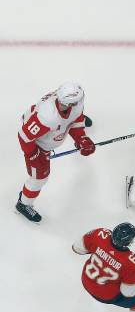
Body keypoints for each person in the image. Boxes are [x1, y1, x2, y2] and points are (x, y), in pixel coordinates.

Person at [16, 83, 96, 222]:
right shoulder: (47, 117)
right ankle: (23, 204)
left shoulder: (73, 104)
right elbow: (24, 137)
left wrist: (81, 137)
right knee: (39, 179)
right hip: (37, 144)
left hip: (50, 124)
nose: (80, 104)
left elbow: (76, 118)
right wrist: (34, 155)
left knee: (74, 116)